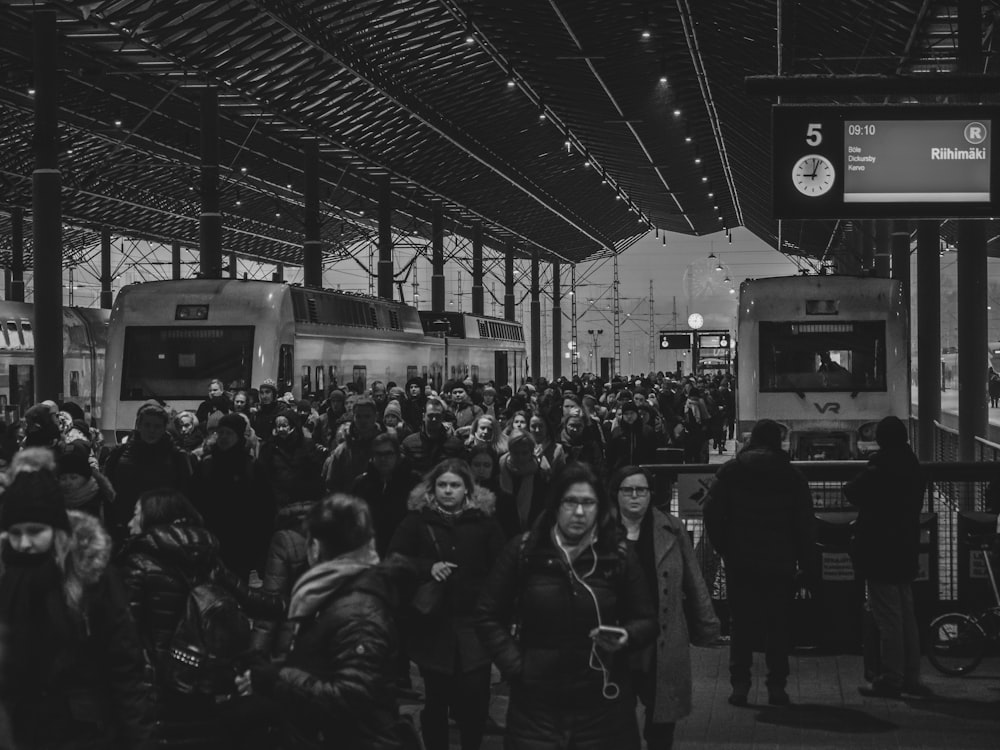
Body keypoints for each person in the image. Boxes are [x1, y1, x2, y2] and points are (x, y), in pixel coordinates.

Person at [475, 464, 656, 750]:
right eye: (571, 501)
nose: (579, 512)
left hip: (603, 704)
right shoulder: (525, 551)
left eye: (588, 502)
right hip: (537, 707)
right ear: (556, 505)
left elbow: (646, 618)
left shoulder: (617, 554)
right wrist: (516, 665)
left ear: (600, 507)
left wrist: (627, 636)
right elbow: (487, 614)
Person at [236, 494, 416, 750]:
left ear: (316, 547)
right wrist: (268, 668)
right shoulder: (333, 593)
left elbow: (349, 697)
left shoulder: (359, 609)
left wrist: (276, 678)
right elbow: (322, 665)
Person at [118, 488, 283, 748]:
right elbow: (254, 600)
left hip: (159, 689)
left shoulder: (139, 564)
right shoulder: (208, 560)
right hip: (205, 680)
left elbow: (125, 632)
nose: (129, 523)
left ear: (154, 518)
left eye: (136, 515)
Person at [0, 469, 152, 748]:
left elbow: (123, 664)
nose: (24, 543)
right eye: (15, 533)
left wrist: (137, 738)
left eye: (35, 531)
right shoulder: (7, 574)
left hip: (82, 728)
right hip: (20, 727)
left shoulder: (90, 576)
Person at [388, 459, 505, 750]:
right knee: (436, 700)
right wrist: (427, 567)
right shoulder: (417, 522)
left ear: (467, 489)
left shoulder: (484, 523)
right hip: (433, 624)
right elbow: (394, 561)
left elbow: (502, 569)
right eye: (442, 485)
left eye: (455, 485)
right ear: (433, 488)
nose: (448, 491)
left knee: (476, 701)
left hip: (473, 626)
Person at [703, 419, 816, 707]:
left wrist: (726, 548)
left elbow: (712, 514)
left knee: (740, 623)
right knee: (778, 623)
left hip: (741, 561)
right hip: (780, 561)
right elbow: (804, 525)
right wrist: (806, 561)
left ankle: (740, 685)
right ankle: (777, 686)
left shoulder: (731, 471)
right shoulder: (792, 476)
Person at [611, 466, 720, 749]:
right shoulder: (599, 531)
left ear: (651, 494)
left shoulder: (671, 528)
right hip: (616, 639)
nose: (635, 496)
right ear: (616, 494)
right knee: (615, 717)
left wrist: (706, 624)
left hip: (662, 638)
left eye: (642, 490)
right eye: (628, 490)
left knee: (661, 718)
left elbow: (693, 580)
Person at [843, 416, 931, 698]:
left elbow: (853, 491)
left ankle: (891, 677)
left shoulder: (881, 464)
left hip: (880, 549)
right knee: (906, 615)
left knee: (887, 617)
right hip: (905, 545)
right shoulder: (912, 464)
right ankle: (912, 677)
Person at [104, 402, 194, 546]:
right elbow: (108, 492)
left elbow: (185, 494)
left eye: (157, 426)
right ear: (138, 426)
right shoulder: (119, 454)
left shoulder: (177, 456)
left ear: (164, 428)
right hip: (125, 528)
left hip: (163, 531)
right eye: (147, 425)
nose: (152, 430)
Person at [400, 396, 464, 474]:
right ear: (424, 416)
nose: (434, 419)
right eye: (430, 416)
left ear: (443, 417)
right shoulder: (409, 443)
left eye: (437, 416)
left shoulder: (455, 445)